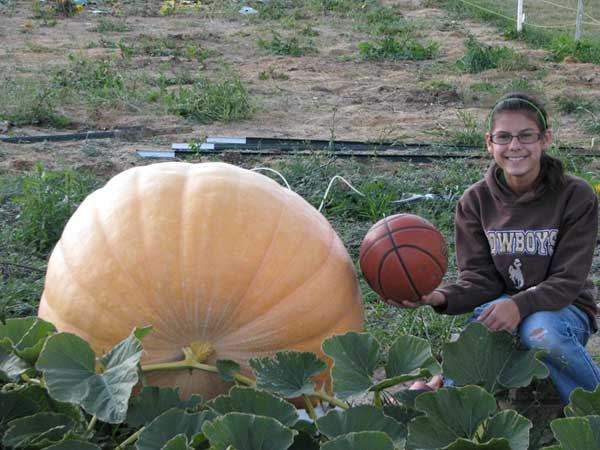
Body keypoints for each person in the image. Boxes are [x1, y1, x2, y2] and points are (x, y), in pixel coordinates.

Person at [388, 92, 600, 405]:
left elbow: (568, 280)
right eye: (503, 137)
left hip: (564, 311)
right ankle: (438, 397)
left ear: (545, 139)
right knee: (480, 340)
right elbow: (480, 280)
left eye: (526, 135)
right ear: (490, 143)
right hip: (501, 306)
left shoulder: (576, 195)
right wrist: (440, 296)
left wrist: (519, 305)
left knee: (539, 331)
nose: (515, 146)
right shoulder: (475, 201)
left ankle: (592, 407)